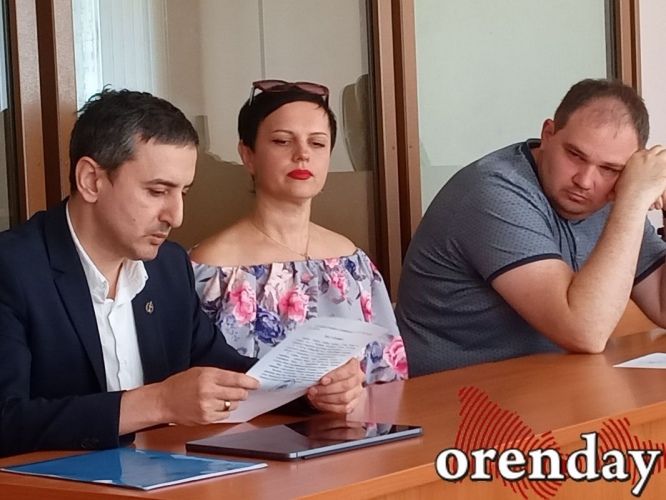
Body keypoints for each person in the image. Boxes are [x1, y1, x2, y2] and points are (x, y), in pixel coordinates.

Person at [0, 89, 364, 457]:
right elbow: (6, 420)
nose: (176, 216)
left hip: (163, 475)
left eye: (183, 193)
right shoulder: (12, 269)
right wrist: (159, 402)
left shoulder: (168, 266)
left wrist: (313, 389)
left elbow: (226, 372)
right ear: (91, 180)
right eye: (158, 191)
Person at [395, 78, 666, 377]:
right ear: (548, 134)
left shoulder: (614, 197)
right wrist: (634, 201)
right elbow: (584, 332)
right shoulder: (494, 192)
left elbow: (662, 305)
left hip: (545, 385)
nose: (585, 181)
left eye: (609, 169)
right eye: (575, 155)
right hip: (453, 394)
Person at [189, 80, 407, 386]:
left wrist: (350, 391)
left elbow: (388, 375)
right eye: (282, 141)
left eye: (317, 144)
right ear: (248, 154)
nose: (302, 154)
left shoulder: (351, 262)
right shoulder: (210, 267)